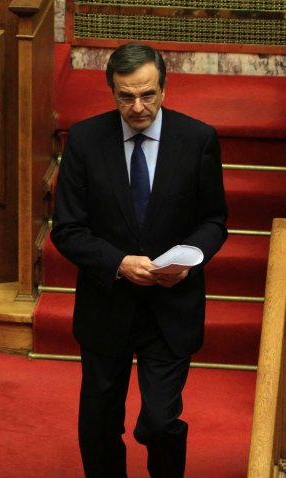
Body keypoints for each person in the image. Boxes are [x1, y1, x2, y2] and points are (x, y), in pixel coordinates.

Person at [50, 42, 227, 477]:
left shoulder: (197, 139)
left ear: (164, 89)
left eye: (147, 94)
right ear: (111, 91)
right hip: (107, 304)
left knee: (159, 423)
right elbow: (67, 229)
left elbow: (214, 221)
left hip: (171, 308)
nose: (137, 106)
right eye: (126, 96)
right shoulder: (86, 140)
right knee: (99, 425)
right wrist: (119, 262)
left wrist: (190, 259)